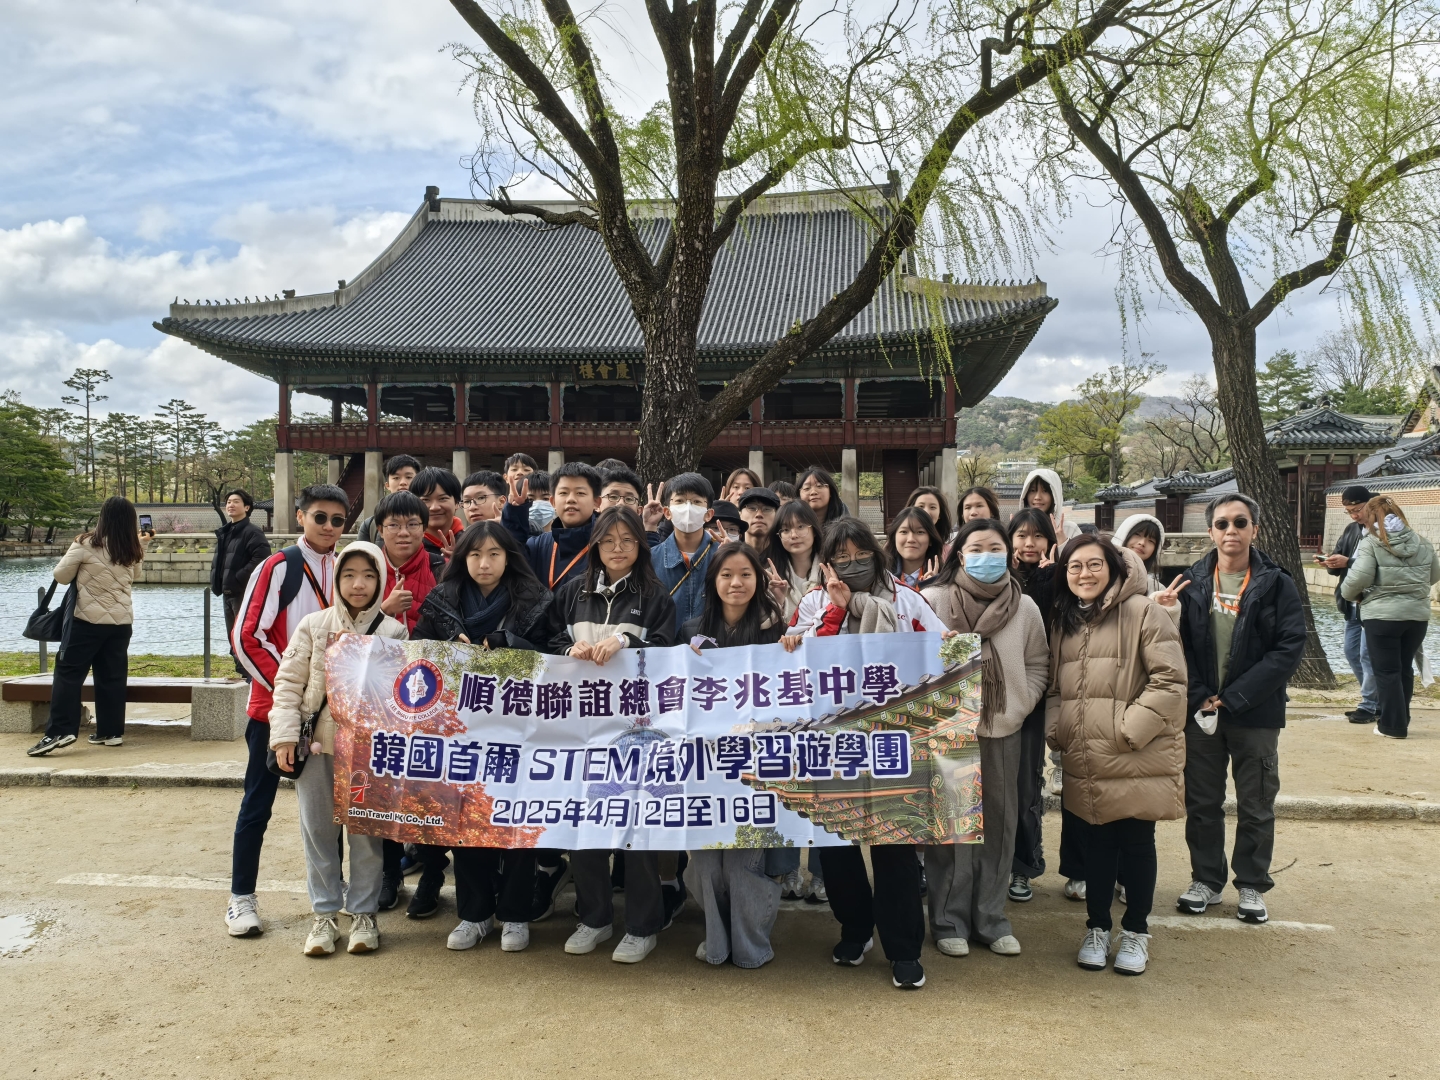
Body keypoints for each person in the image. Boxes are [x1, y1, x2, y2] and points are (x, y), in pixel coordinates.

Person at [792, 516, 945, 990]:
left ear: (877, 556)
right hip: (832, 741)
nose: (853, 564)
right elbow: (798, 659)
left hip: (891, 739)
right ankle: (855, 929)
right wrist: (836, 612)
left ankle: (903, 947)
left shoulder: (907, 599)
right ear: (826, 563)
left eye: (861, 555)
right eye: (841, 557)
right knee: (836, 844)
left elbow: (943, 650)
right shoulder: (813, 602)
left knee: (894, 845)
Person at [1162, 493, 1305, 926]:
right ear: (1210, 531)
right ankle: (1206, 879)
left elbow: (1288, 648)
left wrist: (1236, 696)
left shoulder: (1277, 583)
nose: (1231, 531)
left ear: (1254, 529)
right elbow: (1176, 645)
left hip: (1255, 712)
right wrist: (1200, 694)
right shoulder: (1190, 582)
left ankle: (1252, 884)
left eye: (1240, 523)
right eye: (1222, 523)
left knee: (1256, 802)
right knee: (1202, 802)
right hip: (1202, 710)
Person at [411, 522, 553, 952]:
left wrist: (509, 642)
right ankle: (474, 914)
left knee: (518, 821)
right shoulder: (443, 600)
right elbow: (416, 652)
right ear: (462, 559)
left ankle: (515, 914)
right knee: (467, 822)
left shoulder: (536, 600)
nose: (484, 563)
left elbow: (555, 654)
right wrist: (445, 651)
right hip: (462, 733)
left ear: (509, 557)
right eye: (474, 555)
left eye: (493, 554)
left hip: (521, 731)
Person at [1048, 537, 1186, 975]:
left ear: (1114, 568)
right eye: (1074, 566)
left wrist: (1128, 731)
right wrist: (1057, 730)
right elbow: (1054, 687)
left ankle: (1136, 931)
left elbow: (1170, 680)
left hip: (1135, 751)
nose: (1084, 574)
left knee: (1137, 842)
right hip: (1085, 752)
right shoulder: (1065, 620)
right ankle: (1097, 927)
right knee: (1097, 844)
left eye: (1094, 564)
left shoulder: (1144, 611)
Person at [547, 506, 677, 963]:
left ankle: (643, 926)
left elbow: (669, 651)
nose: (617, 548)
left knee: (637, 832)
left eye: (627, 540)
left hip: (636, 734)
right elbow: (545, 640)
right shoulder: (571, 593)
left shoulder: (656, 596)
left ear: (641, 545)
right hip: (579, 733)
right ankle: (595, 918)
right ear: (595, 546)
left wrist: (626, 641)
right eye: (608, 540)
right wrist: (569, 648)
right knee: (586, 830)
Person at [268, 540, 406, 956]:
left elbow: (400, 698)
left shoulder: (394, 631)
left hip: (367, 753)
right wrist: (284, 736)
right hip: (316, 746)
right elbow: (288, 682)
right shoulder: (313, 624)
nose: (358, 584)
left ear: (380, 580)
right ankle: (324, 914)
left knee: (366, 835)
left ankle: (363, 913)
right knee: (318, 832)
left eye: (367, 575)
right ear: (337, 579)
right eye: (348, 575)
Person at [222, 483, 347, 937]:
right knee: (258, 802)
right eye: (320, 517)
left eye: (338, 520)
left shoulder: (346, 567)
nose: (329, 527)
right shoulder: (279, 567)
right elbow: (246, 637)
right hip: (275, 711)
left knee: (332, 807)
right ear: (300, 517)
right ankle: (241, 897)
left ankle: (335, 888)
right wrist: (292, 695)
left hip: (332, 716)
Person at [920, 519, 1048, 960]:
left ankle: (991, 918)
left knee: (1000, 822)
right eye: (976, 548)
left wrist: (1019, 704)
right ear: (959, 554)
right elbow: (911, 662)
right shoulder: (932, 601)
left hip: (1002, 730)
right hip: (948, 732)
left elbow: (1038, 663)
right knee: (951, 825)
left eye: (995, 548)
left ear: (1008, 554)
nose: (986, 556)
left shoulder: (1024, 607)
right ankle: (948, 920)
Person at [679, 542, 799, 968]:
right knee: (706, 864)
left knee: (743, 863)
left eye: (746, 574)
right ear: (713, 581)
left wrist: (794, 645)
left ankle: (751, 945)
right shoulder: (690, 630)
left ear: (758, 580)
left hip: (755, 767)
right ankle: (717, 941)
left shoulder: (775, 630)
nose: (736, 583)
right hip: (705, 767)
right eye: (726, 574)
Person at [28, 496, 148, 757]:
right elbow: (136, 575)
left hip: (86, 621)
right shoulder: (132, 547)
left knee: (68, 674)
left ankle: (60, 731)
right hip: (121, 623)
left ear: (103, 517)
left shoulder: (86, 542)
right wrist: (142, 544)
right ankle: (110, 732)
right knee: (112, 676)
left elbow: (61, 576)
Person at [1340, 496, 1440, 740]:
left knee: (1386, 671)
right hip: (1416, 617)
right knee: (1404, 668)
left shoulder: (1372, 543)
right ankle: (1401, 719)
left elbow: (1358, 579)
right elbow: (1434, 575)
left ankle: (1392, 726)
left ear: (1372, 518)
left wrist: (1352, 595)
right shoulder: (1422, 542)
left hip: (1381, 616)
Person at [1004, 507, 1061, 903]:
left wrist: (1049, 576)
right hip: (995, 696)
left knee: (1026, 785)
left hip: (1036, 696)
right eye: (1021, 535)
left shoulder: (1059, 579)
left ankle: (1024, 865)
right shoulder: (997, 576)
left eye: (1038, 535)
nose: (1029, 543)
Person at [1324, 485, 1382, 724]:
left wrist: (1348, 562)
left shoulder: (1383, 530)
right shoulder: (1351, 529)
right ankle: (1376, 701)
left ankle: (1369, 705)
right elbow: (1339, 556)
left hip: (1374, 602)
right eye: (1349, 512)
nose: (1355, 515)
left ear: (1370, 504)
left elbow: (1380, 566)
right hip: (1351, 602)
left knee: (1368, 655)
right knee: (1351, 652)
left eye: (1357, 509)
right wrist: (1331, 563)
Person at [652, 472, 723, 636]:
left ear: (708, 514)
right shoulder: (651, 558)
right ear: (667, 512)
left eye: (697, 501)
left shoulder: (722, 555)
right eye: (680, 501)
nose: (688, 507)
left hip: (713, 646)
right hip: (665, 647)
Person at [210, 488, 270, 678]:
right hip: (227, 592)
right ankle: (242, 673)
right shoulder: (226, 531)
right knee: (232, 635)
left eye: (236, 501)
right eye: (228, 502)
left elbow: (262, 558)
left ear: (247, 507)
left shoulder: (252, 532)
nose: (231, 505)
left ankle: (251, 675)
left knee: (244, 634)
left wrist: (238, 578)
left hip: (243, 592)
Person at [374, 491, 446, 633]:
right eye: (394, 525)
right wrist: (385, 610)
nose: (404, 533)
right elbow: (353, 627)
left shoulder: (443, 569)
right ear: (381, 530)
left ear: (424, 529)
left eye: (412, 524)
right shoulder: (368, 571)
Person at [764, 500, 825, 622]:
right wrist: (778, 603)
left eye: (800, 527)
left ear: (814, 530)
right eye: (786, 530)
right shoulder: (769, 578)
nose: (793, 535)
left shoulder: (830, 572)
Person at [356, 454, 421, 543]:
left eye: (409, 477)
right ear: (387, 485)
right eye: (396, 478)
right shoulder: (370, 525)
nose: (403, 482)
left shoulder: (430, 520)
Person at [411, 468, 464, 560]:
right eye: (425, 500)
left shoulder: (472, 542)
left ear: (456, 503)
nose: (434, 507)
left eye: (442, 498)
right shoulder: (407, 545)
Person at [884, 506, 942, 589]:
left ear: (931, 539)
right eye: (904, 532)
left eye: (920, 532)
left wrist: (934, 587)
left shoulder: (946, 578)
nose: (911, 539)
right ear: (894, 537)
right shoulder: (880, 576)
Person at [1019, 467, 1081, 539]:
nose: (1037, 497)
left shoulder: (1070, 529)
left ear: (1055, 495)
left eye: (1045, 491)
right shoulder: (1018, 528)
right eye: (1032, 490)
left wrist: (1063, 543)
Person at [737, 486, 780, 553]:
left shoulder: (789, 555)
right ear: (740, 514)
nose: (759, 514)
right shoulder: (730, 555)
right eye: (752, 508)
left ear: (777, 515)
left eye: (767, 509)